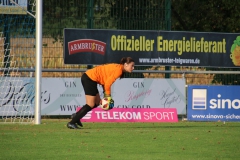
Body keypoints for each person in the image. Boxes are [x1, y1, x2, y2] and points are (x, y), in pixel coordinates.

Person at [67, 57, 135, 129]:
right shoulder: (119, 70)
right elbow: (108, 84)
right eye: (132, 65)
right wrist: (108, 97)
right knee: (90, 104)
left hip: (90, 78)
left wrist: (106, 94)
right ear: (126, 64)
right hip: (89, 78)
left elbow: (105, 81)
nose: (133, 68)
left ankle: (76, 116)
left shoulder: (118, 68)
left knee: (96, 103)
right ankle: (72, 123)